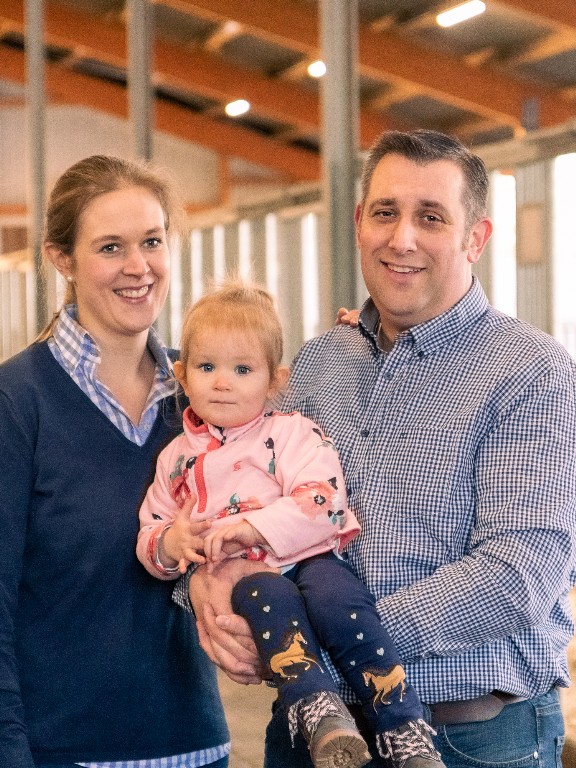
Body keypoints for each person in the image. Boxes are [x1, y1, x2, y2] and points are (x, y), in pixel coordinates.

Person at [179, 129, 576, 768]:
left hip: (467, 738)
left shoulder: (530, 372)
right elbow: (236, 493)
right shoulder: (318, 362)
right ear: (361, 222)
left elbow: (518, 573)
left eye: (432, 217)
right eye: (386, 213)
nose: (403, 238)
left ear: (475, 238)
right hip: (310, 732)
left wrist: (325, 639)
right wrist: (205, 587)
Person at [137, 280, 445, 768]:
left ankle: (403, 726)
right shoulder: (175, 459)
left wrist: (254, 528)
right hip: (251, 578)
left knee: (339, 602)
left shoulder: (291, 432)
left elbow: (323, 498)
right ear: (182, 375)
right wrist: (170, 544)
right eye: (207, 367)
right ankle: (320, 713)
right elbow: (150, 529)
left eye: (243, 369)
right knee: (272, 602)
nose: (222, 382)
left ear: (274, 381)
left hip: (310, 558)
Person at [0, 155, 229, 767]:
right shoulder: (17, 402)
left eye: (152, 241)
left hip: (196, 747)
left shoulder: (205, 397)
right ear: (62, 259)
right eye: (110, 247)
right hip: (63, 752)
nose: (138, 266)